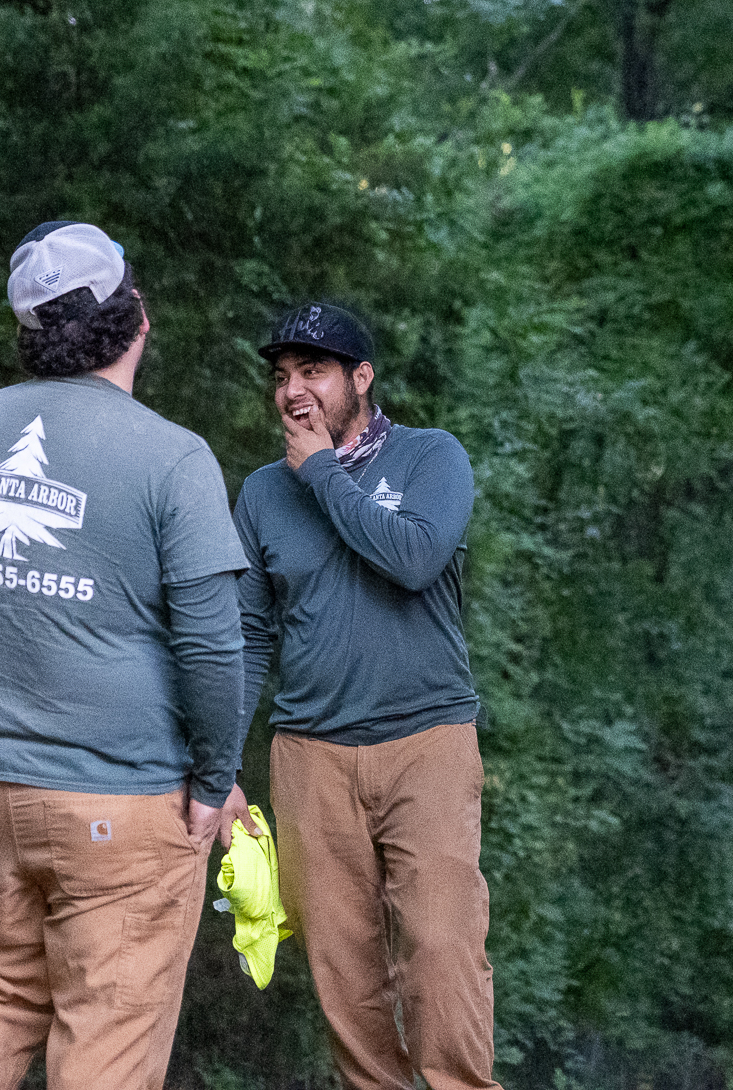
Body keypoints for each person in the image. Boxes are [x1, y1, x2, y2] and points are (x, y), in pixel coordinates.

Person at [0, 221, 247, 1090]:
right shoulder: (174, 457)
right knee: (107, 1043)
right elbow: (212, 644)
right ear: (135, 314)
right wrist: (214, 781)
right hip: (123, 807)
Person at [225, 302, 500, 1090]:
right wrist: (219, 769)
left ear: (362, 377)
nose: (292, 391)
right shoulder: (261, 495)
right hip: (309, 754)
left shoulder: (429, 457)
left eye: (313, 371)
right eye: (282, 377)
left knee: (443, 950)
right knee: (345, 975)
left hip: (428, 743)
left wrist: (322, 472)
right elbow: (248, 638)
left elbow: (413, 556)